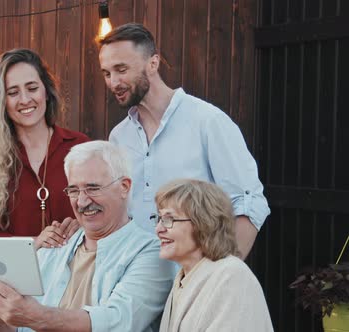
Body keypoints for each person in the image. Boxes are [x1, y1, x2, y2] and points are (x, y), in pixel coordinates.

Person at [98, 23, 270, 258]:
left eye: (121, 69)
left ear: (153, 63)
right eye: (107, 73)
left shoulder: (208, 121)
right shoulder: (118, 136)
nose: (113, 82)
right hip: (136, 278)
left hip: (193, 276)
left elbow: (249, 203)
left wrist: (221, 273)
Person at [0, 141, 174, 332]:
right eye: (73, 190)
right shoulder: (54, 245)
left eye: (93, 188)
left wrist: (35, 316)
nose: (82, 201)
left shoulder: (151, 252)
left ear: (124, 187)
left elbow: (117, 321)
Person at [0, 48, 89, 249]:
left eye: (32, 88)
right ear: (0, 102)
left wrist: (84, 224)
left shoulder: (80, 147)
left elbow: (105, 210)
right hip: (14, 278)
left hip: (75, 275)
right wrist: (33, 243)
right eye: (12, 93)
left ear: (46, 92)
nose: (24, 100)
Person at [154, 179, 273, 331]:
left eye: (169, 219)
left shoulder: (232, 276)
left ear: (203, 223)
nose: (158, 229)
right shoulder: (184, 278)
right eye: (159, 218)